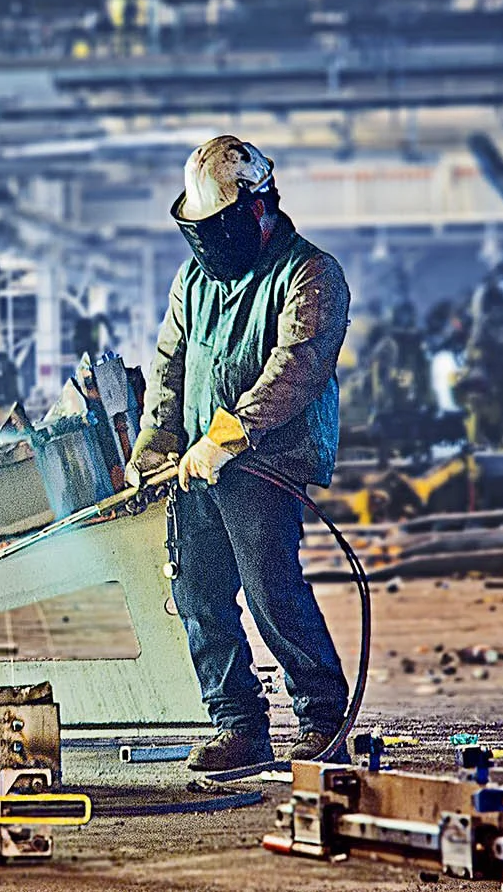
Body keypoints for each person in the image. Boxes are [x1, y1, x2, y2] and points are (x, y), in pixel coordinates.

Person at [127, 135, 351, 771]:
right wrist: (156, 444)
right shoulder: (194, 279)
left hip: (265, 462)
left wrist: (229, 437)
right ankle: (238, 723)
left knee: (269, 587)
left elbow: (298, 365)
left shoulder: (312, 272)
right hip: (194, 466)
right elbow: (170, 365)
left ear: (258, 207)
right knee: (199, 591)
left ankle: (321, 715)